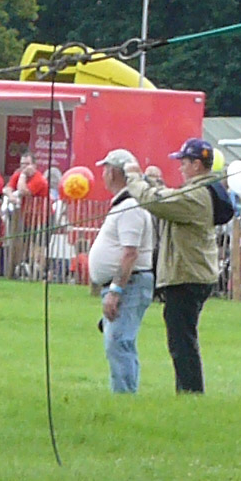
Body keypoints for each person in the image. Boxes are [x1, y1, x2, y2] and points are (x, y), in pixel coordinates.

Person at [134, 137, 235, 395]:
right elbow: (168, 196)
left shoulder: (197, 195)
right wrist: (153, 184)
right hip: (192, 275)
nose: (180, 167)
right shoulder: (201, 191)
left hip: (187, 276)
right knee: (182, 339)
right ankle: (188, 392)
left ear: (197, 165)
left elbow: (158, 203)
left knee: (182, 342)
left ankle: (190, 392)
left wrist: (134, 181)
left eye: (184, 162)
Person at [90, 149, 158, 393]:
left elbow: (130, 252)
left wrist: (116, 290)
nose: (103, 174)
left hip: (130, 284)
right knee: (117, 341)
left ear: (114, 172)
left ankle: (124, 395)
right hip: (126, 284)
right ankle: (123, 392)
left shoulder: (130, 206)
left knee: (119, 342)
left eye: (106, 169)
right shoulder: (124, 204)